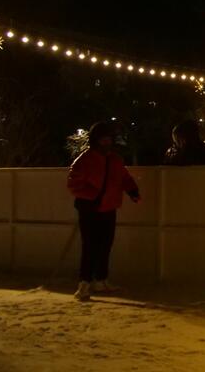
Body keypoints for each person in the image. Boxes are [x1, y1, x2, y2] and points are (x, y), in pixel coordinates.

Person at [67, 121, 140, 301]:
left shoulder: (115, 160)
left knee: (105, 245)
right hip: (90, 209)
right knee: (90, 246)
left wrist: (132, 191)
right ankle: (84, 283)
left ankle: (100, 279)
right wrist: (92, 196)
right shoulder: (85, 160)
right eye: (103, 139)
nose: (107, 142)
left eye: (109, 138)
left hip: (108, 208)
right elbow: (73, 183)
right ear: (96, 140)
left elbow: (124, 178)